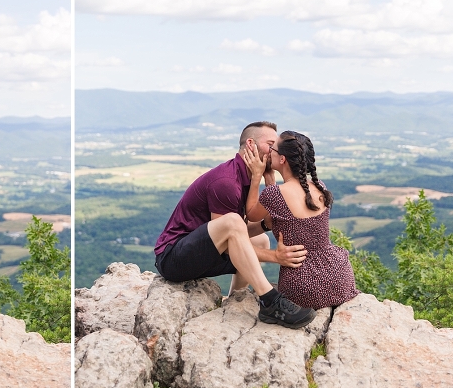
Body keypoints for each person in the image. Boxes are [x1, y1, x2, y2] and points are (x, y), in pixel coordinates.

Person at [154, 121, 316, 329]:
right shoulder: (226, 181)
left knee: (260, 239)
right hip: (173, 258)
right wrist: (276, 257)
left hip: (201, 253)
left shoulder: (247, 178)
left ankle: (234, 300)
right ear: (251, 144)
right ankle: (270, 301)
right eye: (271, 143)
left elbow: (237, 234)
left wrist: (266, 224)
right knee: (232, 223)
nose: (276, 149)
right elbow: (229, 237)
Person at [243, 131, 360, 309]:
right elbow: (281, 205)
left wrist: (256, 176)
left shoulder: (274, 195)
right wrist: (271, 182)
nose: (269, 152)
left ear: (282, 159)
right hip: (338, 276)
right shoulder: (320, 186)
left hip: (302, 284)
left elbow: (251, 213)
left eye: (272, 149)